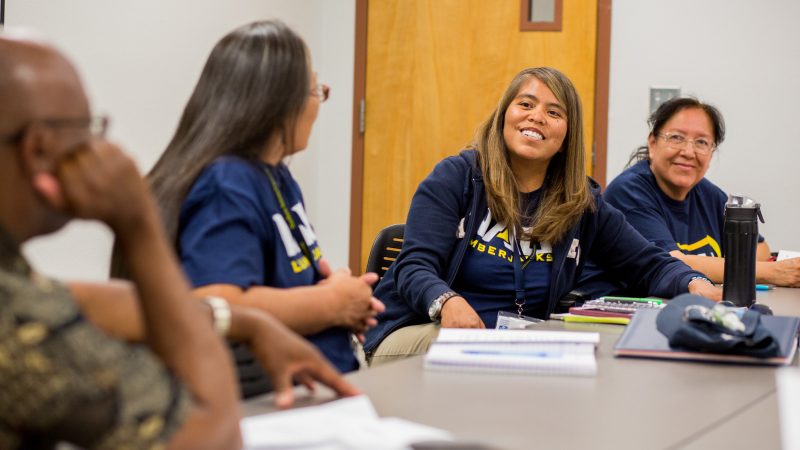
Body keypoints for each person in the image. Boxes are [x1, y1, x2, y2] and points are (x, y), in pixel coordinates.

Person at [0, 32, 357, 449]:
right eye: (87, 129)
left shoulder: (18, 284)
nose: (96, 147)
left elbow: (73, 298)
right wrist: (139, 226)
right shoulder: (21, 323)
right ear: (39, 149)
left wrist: (245, 321)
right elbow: (213, 436)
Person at [363, 67, 721, 366]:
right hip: (423, 331)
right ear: (506, 114)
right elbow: (413, 266)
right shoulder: (457, 177)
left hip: (516, 345)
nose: (536, 116)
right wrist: (447, 302)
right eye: (526, 104)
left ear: (566, 137)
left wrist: (694, 284)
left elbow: (647, 263)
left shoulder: (580, 202)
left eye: (554, 112)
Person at [119, 20, 383, 374]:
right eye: (314, 89)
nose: (318, 103)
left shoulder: (278, 177)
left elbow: (282, 288)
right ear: (277, 103)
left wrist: (338, 293)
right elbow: (217, 302)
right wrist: (331, 303)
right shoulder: (226, 183)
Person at [597, 97, 800, 288]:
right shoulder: (630, 192)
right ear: (652, 143)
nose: (688, 152)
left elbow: (760, 251)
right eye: (676, 138)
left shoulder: (707, 193)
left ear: (712, 152)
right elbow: (671, 264)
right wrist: (772, 272)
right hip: (630, 312)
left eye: (702, 142)